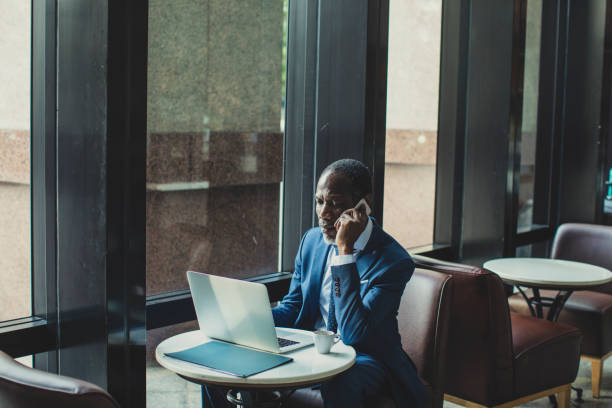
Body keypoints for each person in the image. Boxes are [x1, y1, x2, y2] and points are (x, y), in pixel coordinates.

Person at [273, 159, 427, 408]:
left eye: (335, 204)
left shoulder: (392, 261)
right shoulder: (311, 242)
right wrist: (249, 321)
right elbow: (293, 307)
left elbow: (354, 333)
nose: (323, 213)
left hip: (366, 358)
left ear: (363, 207)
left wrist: (345, 254)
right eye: (319, 201)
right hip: (312, 349)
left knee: (340, 378)